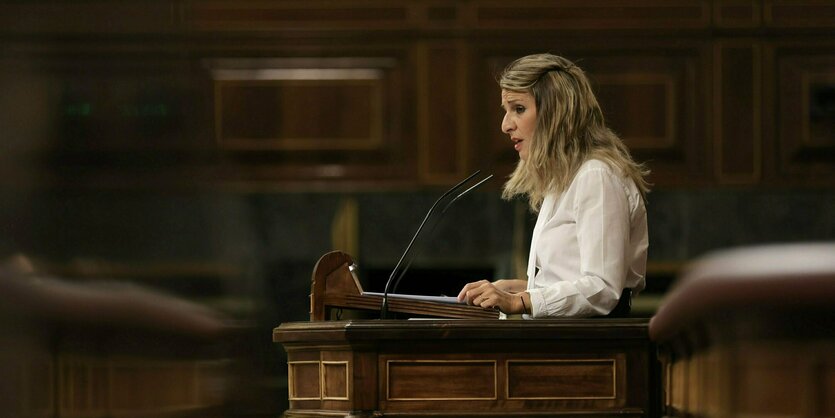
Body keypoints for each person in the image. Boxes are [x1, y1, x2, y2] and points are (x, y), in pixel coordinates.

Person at [457, 53, 650, 318]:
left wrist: (521, 302)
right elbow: (572, 279)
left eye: (519, 109)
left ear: (554, 113)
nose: (505, 125)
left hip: (595, 351)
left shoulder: (597, 176)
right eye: (506, 111)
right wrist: (521, 290)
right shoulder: (565, 179)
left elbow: (603, 288)